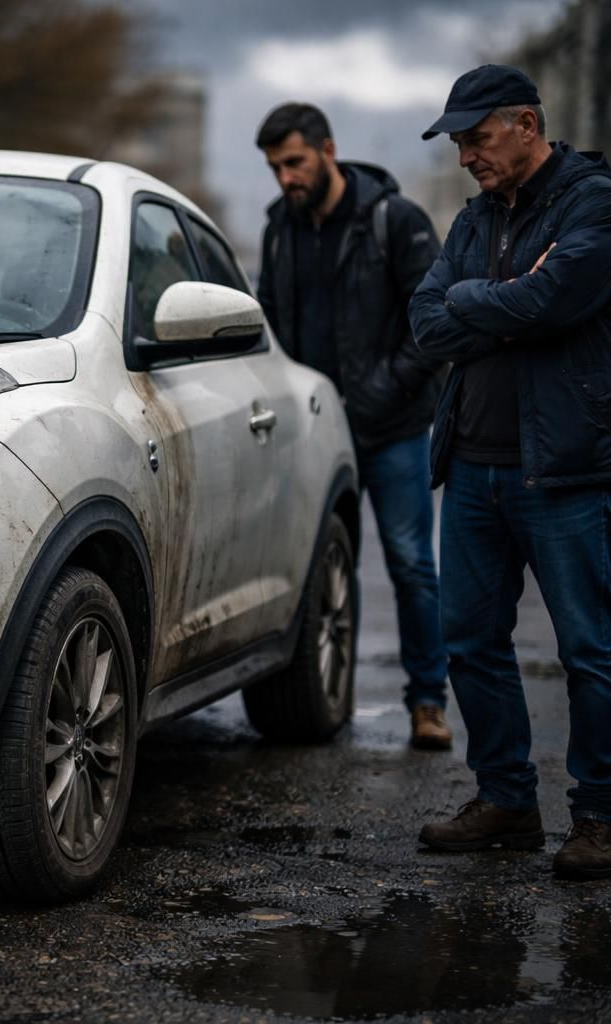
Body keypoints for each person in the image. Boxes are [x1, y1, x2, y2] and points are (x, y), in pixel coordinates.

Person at [409, 64, 611, 880]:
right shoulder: (473, 218)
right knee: (470, 643)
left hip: (566, 471)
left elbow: (555, 301)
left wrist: (485, 303)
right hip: (474, 467)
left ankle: (599, 816)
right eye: (458, 141)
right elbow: (427, 319)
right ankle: (507, 802)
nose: (466, 156)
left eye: (477, 137)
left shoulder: (593, 202)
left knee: (592, 650)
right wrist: (500, 300)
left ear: (526, 123)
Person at [255, 103, 451, 750]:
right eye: (275, 167)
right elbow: (274, 326)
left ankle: (427, 702)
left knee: (411, 566)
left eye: (294, 162)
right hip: (315, 433)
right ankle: (325, 694)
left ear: (327, 150)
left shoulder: (393, 221)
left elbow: (435, 323)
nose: (285, 177)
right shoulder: (278, 230)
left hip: (392, 428)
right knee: (320, 567)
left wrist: (382, 389)